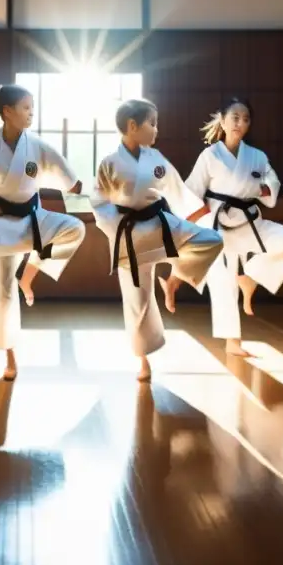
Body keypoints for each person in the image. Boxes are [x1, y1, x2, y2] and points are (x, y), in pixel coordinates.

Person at [0, 84, 87, 381]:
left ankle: (28, 277)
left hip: (33, 218)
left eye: (32, 108)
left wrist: (83, 188)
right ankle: (10, 355)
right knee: (2, 296)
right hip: (1, 225)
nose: (31, 113)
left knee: (74, 229)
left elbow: (69, 180)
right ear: (7, 111)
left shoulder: (38, 146)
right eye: (26, 108)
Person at [91, 98, 223, 382]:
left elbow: (175, 188)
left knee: (210, 240)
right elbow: (100, 203)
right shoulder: (110, 163)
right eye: (152, 123)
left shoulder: (156, 159)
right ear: (132, 126)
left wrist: (194, 208)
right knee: (137, 301)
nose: (156, 130)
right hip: (129, 234)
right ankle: (143, 361)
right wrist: (117, 231)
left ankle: (175, 279)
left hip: (160, 223)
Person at [181, 98, 283, 356]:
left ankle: (252, 277)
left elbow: (271, 185)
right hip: (220, 227)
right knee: (223, 283)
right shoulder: (210, 155)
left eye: (246, 118)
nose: (240, 123)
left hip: (250, 223)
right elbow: (191, 190)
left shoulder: (257, 156)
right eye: (235, 117)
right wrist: (195, 220)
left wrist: (255, 188)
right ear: (223, 121)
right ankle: (233, 343)